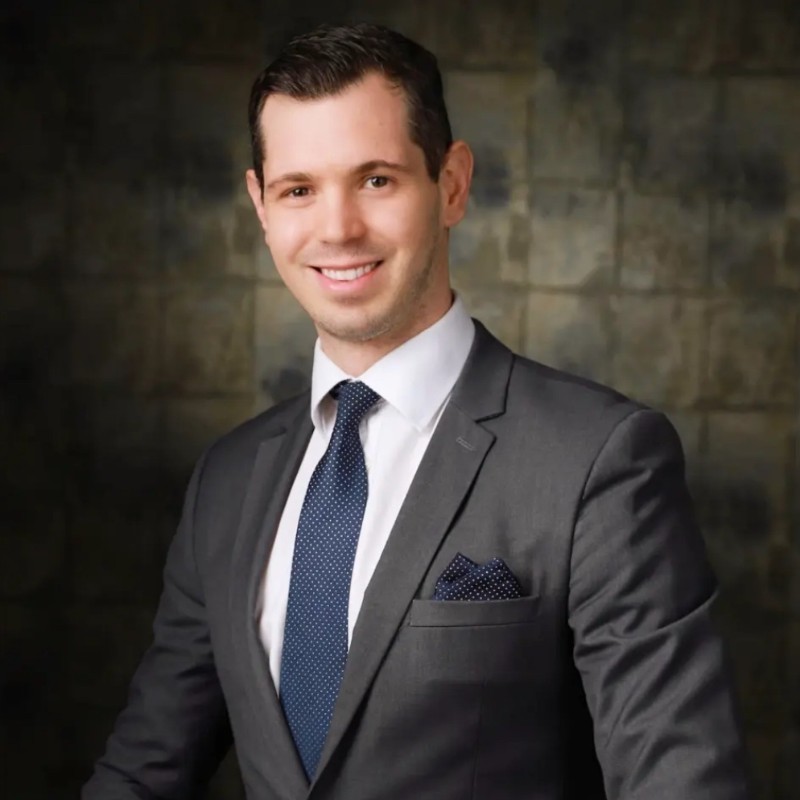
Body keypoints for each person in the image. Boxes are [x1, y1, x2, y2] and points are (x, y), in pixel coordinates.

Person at [83, 23, 752, 800]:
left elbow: (681, 782)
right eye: (299, 190)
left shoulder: (598, 459)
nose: (338, 229)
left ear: (453, 184)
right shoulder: (226, 481)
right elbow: (143, 772)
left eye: (376, 180)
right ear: (260, 205)